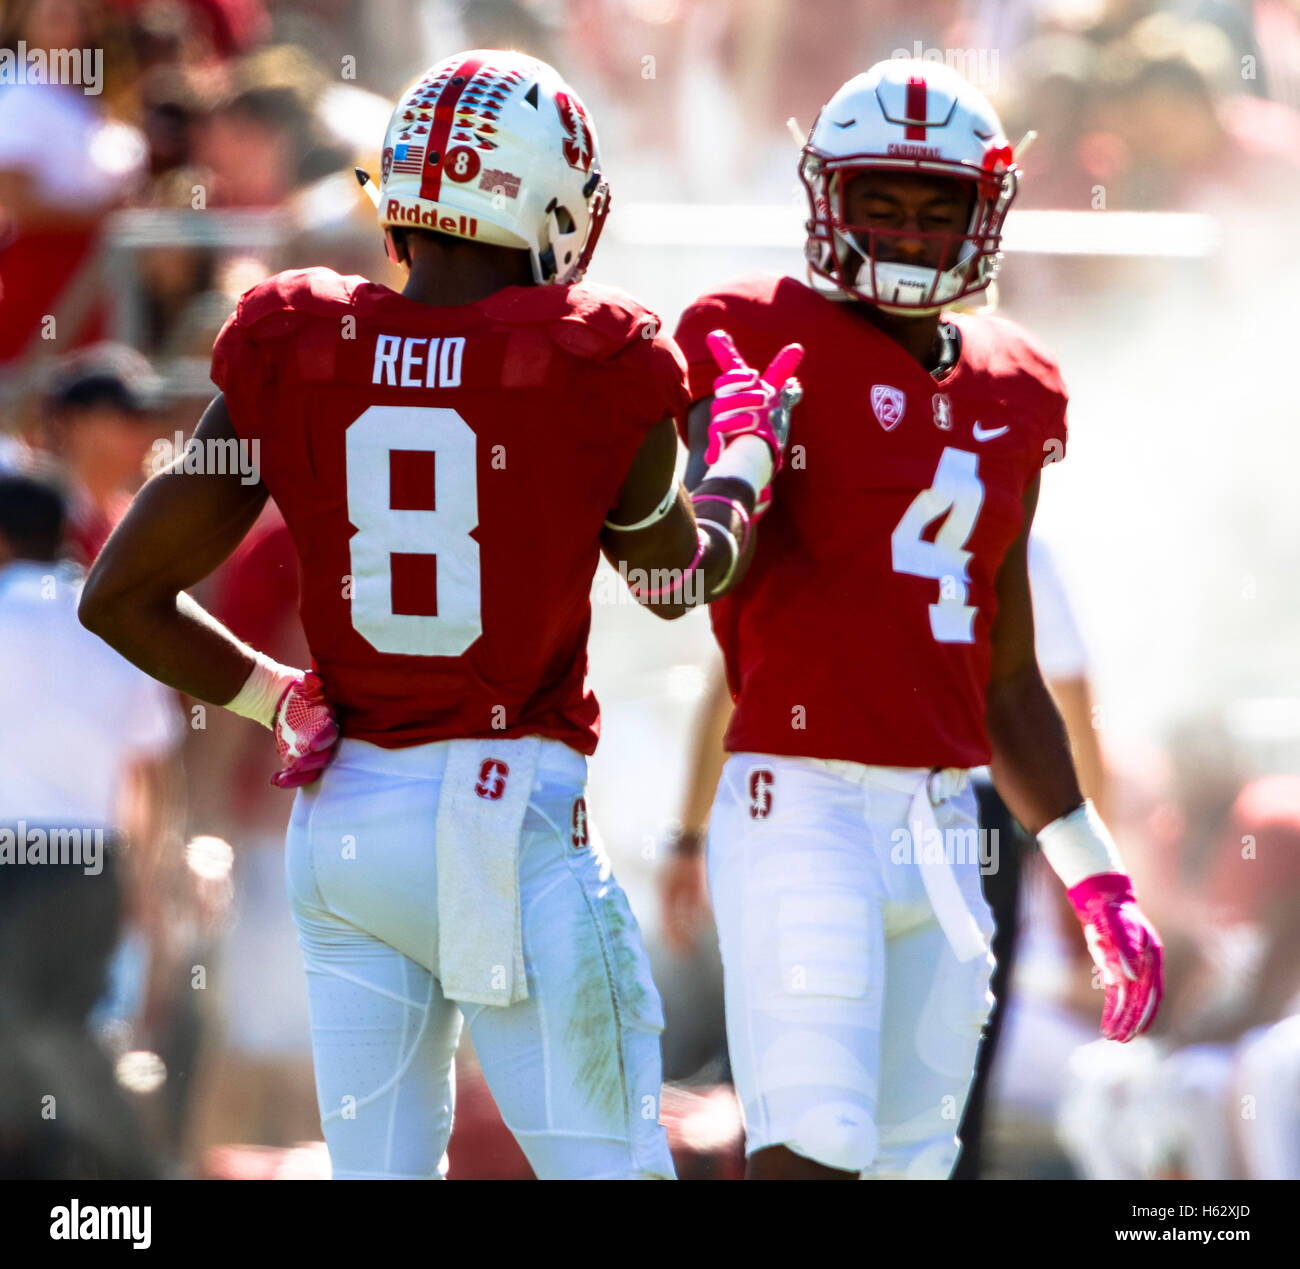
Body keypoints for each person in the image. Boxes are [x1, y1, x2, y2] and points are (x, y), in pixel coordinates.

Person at [79, 49, 801, 1180]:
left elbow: (120, 595)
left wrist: (280, 701)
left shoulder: (295, 345)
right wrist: (743, 463)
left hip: (348, 816)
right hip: (506, 826)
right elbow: (675, 581)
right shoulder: (595, 359)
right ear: (549, 201)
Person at [666, 57, 1164, 1180]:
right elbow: (685, 576)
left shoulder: (1017, 384)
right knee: (813, 1151)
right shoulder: (753, 330)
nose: (903, 231)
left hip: (948, 825)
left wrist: (1093, 871)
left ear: (984, 217)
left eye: (936, 211)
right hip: (797, 802)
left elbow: (1008, 674)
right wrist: (735, 459)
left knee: (914, 1165)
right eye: (876, 203)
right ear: (825, 200)